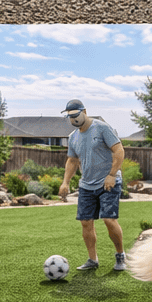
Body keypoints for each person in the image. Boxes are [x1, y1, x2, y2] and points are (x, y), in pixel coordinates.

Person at [55, 99, 127, 271]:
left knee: (109, 219)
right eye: (70, 116)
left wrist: (111, 175)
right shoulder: (73, 137)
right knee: (86, 222)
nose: (73, 119)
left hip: (108, 182)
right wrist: (65, 182)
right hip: (87, 185)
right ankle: (92, 260)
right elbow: (72, 161)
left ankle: (120, 255)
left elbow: (119, 150)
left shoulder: (102, 128)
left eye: (76, 115)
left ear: (85, 112)